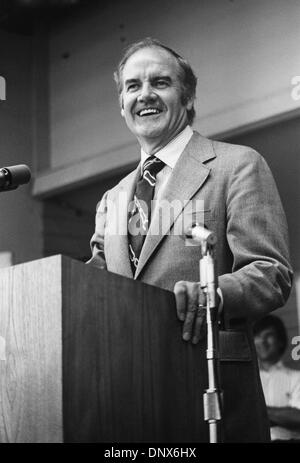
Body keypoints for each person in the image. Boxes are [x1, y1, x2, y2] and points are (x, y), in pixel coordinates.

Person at [87, 37, 293, 441]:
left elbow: (271, 273)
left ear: (187, 94)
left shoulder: (237, 165)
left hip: (210, 390)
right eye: (133, 86)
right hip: (126, 400)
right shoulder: (111, 200)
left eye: (160, 82)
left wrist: (212, 292)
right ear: (121, 103)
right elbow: (93, 290)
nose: (145, 94)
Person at [254, 315, 300, 442]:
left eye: (268, 335)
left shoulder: (296, 378)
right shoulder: (246, 380)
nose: (262, 341)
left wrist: (257, 411)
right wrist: (279, 416)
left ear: (280, 341)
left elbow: (298, 417)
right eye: (257, 336)